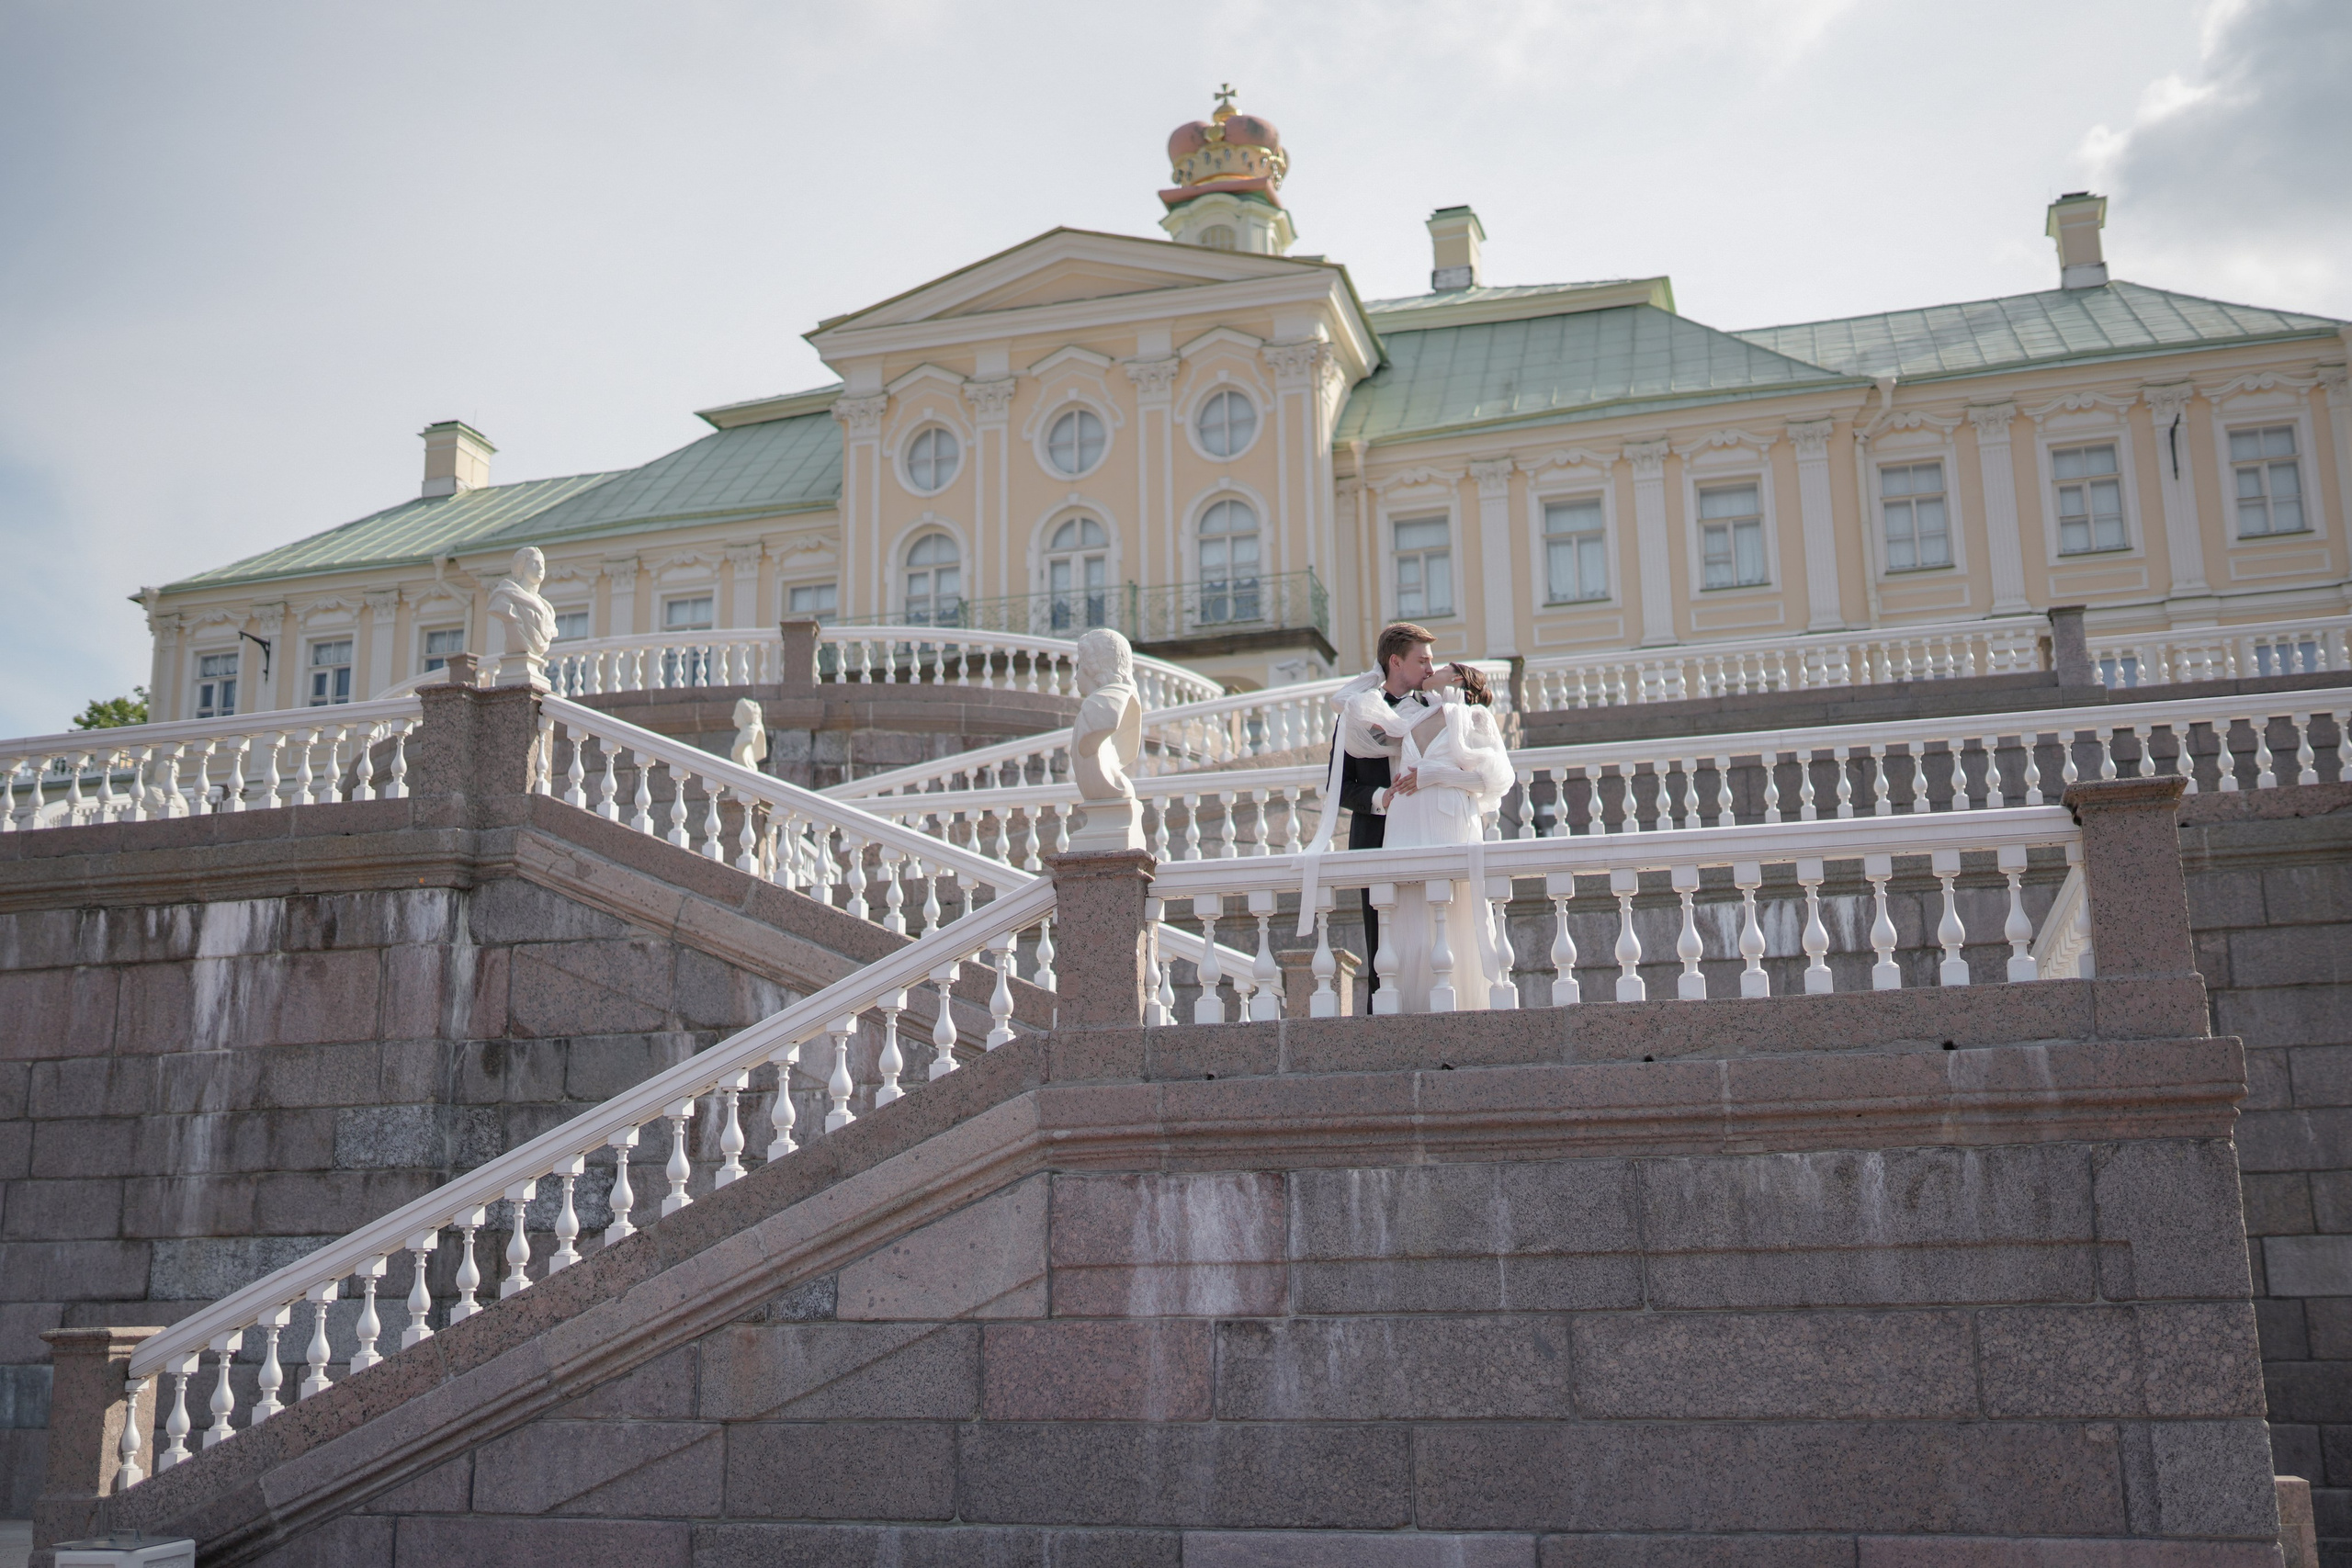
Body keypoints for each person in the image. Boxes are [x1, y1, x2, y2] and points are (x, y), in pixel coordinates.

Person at [1298, 623, 1440, 1000]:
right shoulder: (1357, 714)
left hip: (1426, 835)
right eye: (1422, 660)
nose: (1430, 669)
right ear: (1395, 661)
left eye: (1432, 661)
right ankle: (1382, 1029)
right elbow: (1338, 785)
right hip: (1374, 840)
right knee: (1382, 943)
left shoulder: (1434, 709)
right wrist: (1382, 798)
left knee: (1431, 937)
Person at [1378, 660, 1516, 1012]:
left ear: (1456, 678)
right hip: (1405, 824)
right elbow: (1354, 720)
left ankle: (1463, 1006)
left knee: (1452, 916)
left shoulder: (1474, 718)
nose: (1430, 670)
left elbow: (1494, 781)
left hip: (1447, 820)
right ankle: (1411, 1008)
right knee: (1409, 921)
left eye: (1438, 667)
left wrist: (1438, 774)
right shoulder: (1411, 715)